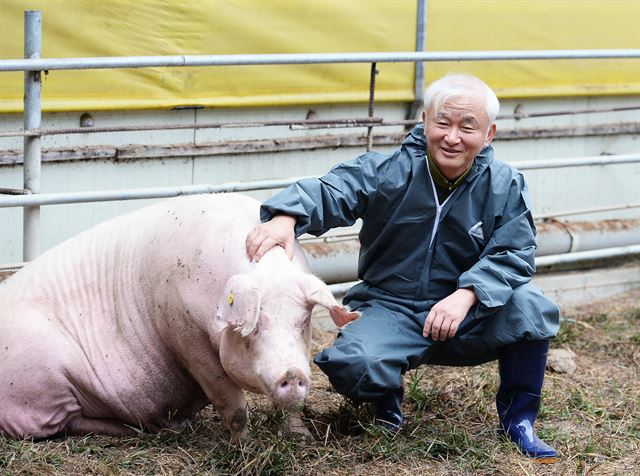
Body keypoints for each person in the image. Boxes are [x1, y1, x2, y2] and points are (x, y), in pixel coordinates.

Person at [245, 73, 560, 463]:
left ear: (490, 133)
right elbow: (332, 190)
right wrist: (286, 217)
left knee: (531, 305)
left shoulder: (504, 183)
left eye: (468, 126)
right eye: (443, 122)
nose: (452, 137)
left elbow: (515, 252)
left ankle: (519, 420)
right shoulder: (387, 171)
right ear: (424, 120)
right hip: (391, 306)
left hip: (466, 313)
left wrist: (467, 293)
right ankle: (387, 403)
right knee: (353, 365)